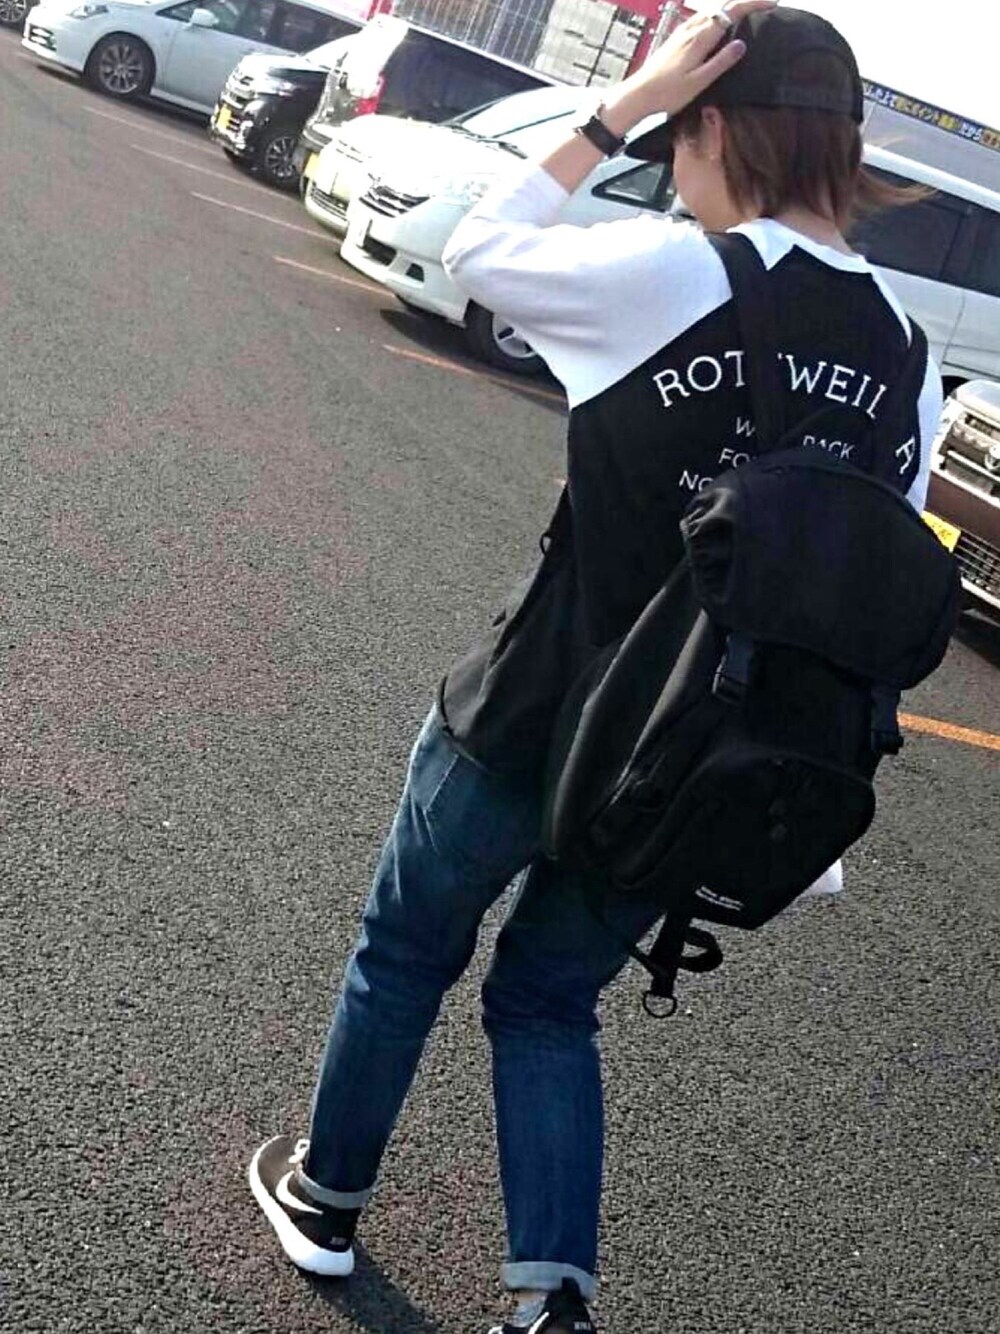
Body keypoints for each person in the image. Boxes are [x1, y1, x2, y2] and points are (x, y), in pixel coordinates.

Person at [247, 5, 943, 1331]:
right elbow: (865, 592)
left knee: (408, 949)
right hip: (688, 761)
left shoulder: (677, 270)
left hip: (534, 704)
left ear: (714, 126)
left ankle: (327, 1202)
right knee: (550, 1001)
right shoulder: (909, 358)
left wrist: (613, 109)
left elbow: (476, 246)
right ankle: (549, 1299)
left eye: (680, 134)